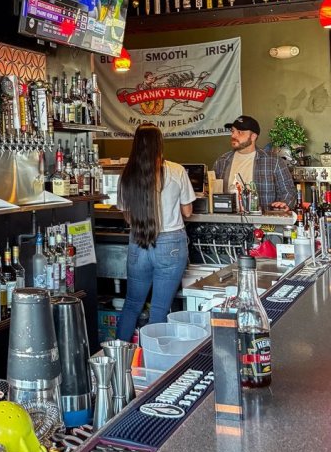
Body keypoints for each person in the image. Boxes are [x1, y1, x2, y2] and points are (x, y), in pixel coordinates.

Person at [116, 123, 196, 341]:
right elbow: (188, 211)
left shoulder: (127, 174)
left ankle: (117, 361)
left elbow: (128, 216)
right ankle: (151, 364)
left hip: (138, 242)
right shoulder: (176, 170)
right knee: (159, 309)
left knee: (132, 304)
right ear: (159, 144)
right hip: (170, 244)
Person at [214, 115, 296, 211]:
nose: (233, 135)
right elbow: (212, 191)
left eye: (239, 132)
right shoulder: (222, 161)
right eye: (232, 131)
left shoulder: (273, 161)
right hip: (228, 220)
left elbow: (288, 191)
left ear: (253, 136)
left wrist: (284, 204)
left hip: (263, 223)